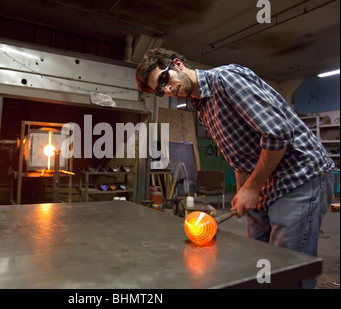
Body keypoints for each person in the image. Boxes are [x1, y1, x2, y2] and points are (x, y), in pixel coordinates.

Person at [136, 48, 336, 289]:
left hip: (299, 176)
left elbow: (278, 134)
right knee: (257, 261)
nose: (167, 90)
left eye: (164, 80)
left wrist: (251, 188)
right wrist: (242, 190)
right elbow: (240, 156)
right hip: (267, 182)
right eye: (160, 90)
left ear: (178, 64)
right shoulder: (201, 106)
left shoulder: (226, 80)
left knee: (287, 269)